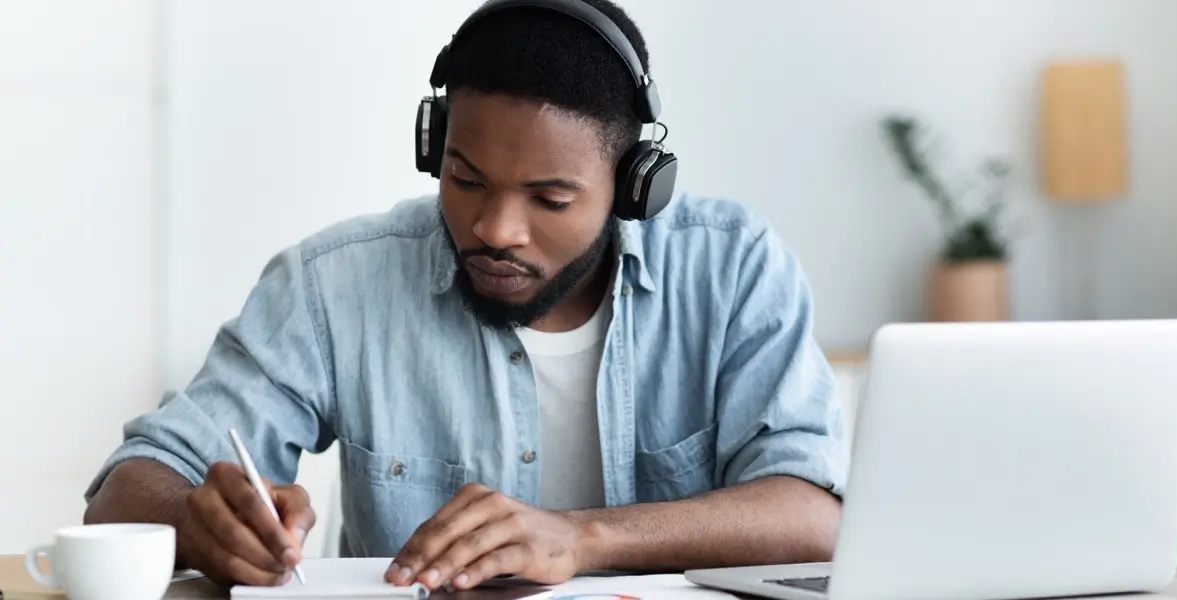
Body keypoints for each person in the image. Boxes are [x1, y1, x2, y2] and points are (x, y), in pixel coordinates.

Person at [83, 0, 848, 592]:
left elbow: (813, 517)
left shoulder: (733, 269)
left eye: (550, 199)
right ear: (433, 147)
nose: (493, 228)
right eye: (466, 179)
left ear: (634, 187)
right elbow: (127, 488)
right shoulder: (334, 284)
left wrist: (581, 537)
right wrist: (196, 519)